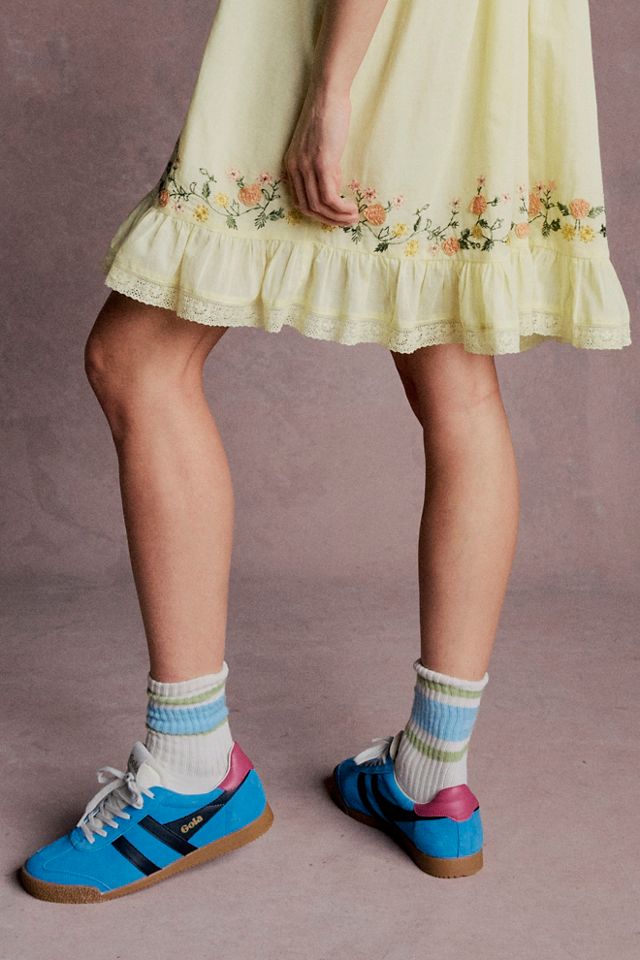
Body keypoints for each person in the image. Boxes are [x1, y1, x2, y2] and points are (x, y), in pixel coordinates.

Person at [20, 0, 631, 900]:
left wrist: (333, 86)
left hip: (372, 33)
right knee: (458, 385)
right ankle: (432, 777)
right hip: (479, 47)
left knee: (138, 361)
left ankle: (192, 770)